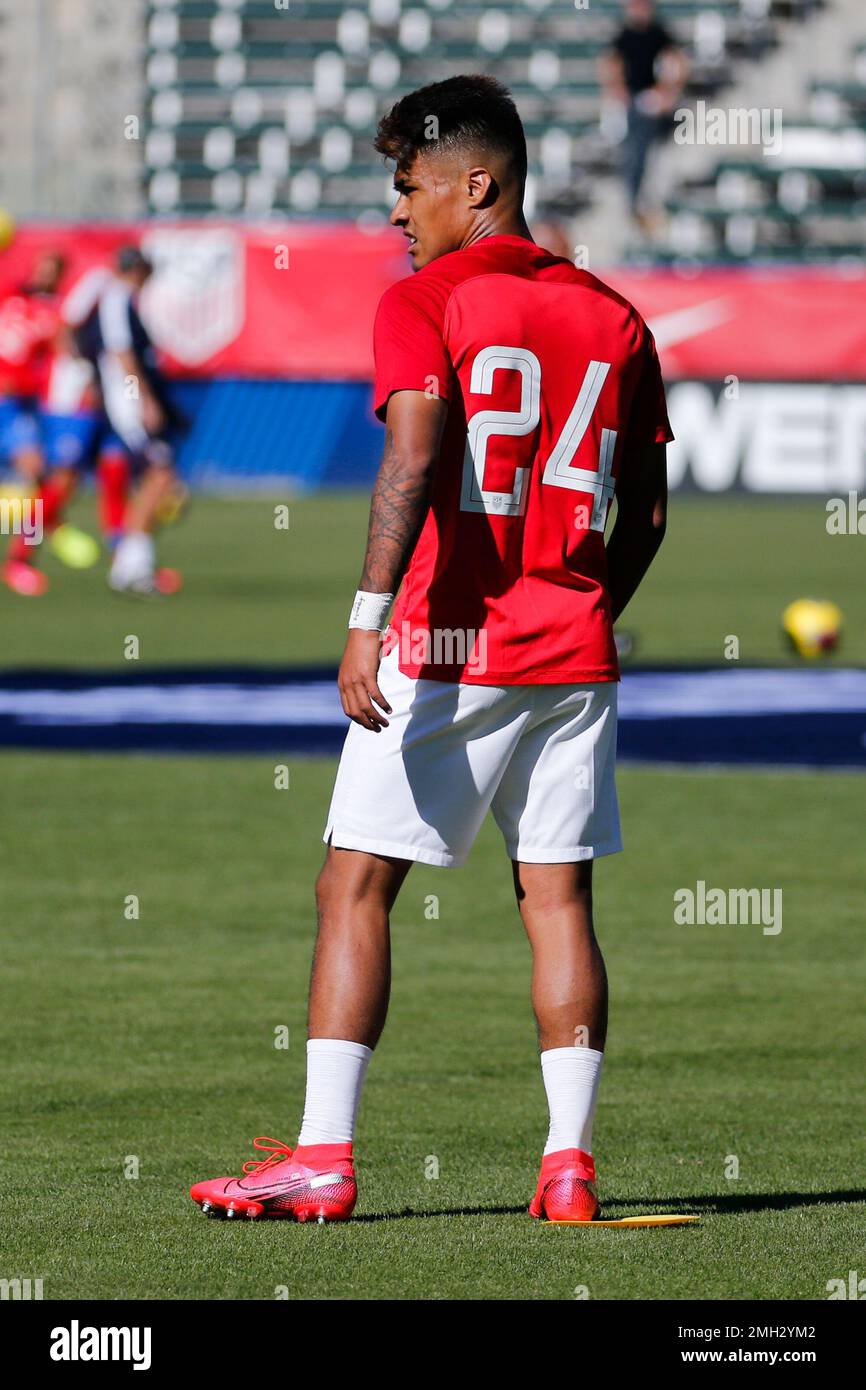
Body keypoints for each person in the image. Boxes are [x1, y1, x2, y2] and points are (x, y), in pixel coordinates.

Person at [191, 74, 672, 1224]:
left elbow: (410, 461)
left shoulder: (425, 301)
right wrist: (587, 602)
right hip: (571, 652)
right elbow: (645, 509)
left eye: (408, 187)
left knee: (351, 884)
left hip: (446, 645)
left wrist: (362, 621)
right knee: (557, 904)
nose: (396, 213)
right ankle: (566, 1169)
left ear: (478, 182)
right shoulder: (614, 314)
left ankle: (321, 1154)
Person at [82, 245, 185, 595]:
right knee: (160, 477)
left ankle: (130, 564)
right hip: (128, 403)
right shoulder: (117, 296)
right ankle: (132, 567)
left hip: (128, 401)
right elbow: (120, 349)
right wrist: (144, 399)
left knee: (155, 479)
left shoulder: (121, 297)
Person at [599, 0, 687, 229]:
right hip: (631, 100)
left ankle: (642, 200)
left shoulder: (658, 33)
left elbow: (676, 61)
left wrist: (666, 91)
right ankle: (634, 200)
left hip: (651, 99)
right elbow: (610, 63)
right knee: (633, 151)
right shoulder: (624, 35)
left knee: (646, 150)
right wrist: (616, 89)